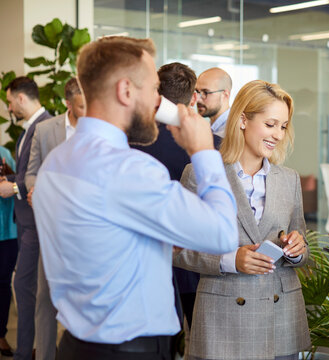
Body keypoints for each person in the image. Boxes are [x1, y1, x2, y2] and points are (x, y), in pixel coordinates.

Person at [31, 36, 239, 360]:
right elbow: (224, 233)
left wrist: (156, 241)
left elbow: (98, 239)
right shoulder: (131, 170)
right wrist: (202, 151)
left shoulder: (55, 164)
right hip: (130, 351)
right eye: (155, 88)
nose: (159, 101)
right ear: (126, 91)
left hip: (74, 346)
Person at [175, 80, 311, 360]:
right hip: (221, 320)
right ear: (242, 120)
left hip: (280, 319)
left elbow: (303, 245)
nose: (278, 134)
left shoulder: (289, 180)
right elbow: (178, 250)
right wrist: (229, 260)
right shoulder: (201, 173)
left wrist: (298, 249)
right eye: (271, 124)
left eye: (283, 126)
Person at [130, 62, 222, 353]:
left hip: (149, 256)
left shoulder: (132, 141)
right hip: (199, 256)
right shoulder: (215, 145)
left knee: (158, 343)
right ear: (193, 97)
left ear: (156, 93)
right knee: (206, 341)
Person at [23, 77, 85, 360]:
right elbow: (31, 170)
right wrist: (35, 189)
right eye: (82, 106)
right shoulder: (46, 130)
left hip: (88, 229)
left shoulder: (102, 130)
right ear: (68, 103)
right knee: (45, 298)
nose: (88, 113)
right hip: (52, 228)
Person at [0, 76, 52, 360]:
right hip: (26, 220)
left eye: (9, 101)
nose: (9, 107)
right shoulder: (29, 130)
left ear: (21, 98)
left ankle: (28, 352)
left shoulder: (45, 127)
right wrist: (10, 178)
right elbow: (24, 171)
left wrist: (15, 187)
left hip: (35, 219)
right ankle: (30, 350)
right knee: (26, 287)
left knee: (26, 286)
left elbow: (45, 172)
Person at [0, 146, 17, 357]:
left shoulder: (4, 151)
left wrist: (9, 176)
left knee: (3, 284)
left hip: (7, 232)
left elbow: (16, 186)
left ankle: (0, 334)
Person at [195, 67, 231, 138]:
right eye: (197, 92)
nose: (198, 99)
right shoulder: (209, 128)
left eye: (205, 92)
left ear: (225, 95)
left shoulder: (234, 131)